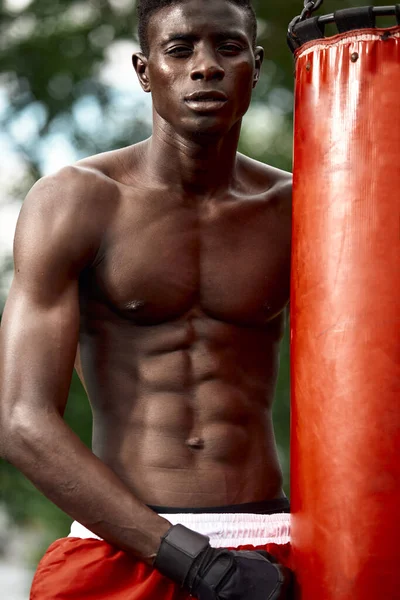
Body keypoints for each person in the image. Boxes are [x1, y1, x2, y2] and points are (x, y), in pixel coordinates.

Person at [0, 0, 293, 597]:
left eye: (228, 48)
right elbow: (20, 420)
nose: (205, 67)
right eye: (180, 49)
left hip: (267, 544)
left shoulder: (298, 207)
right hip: (122, 543)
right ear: (143, 70)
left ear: (256, 65)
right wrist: (196, 564)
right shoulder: (76, 201)